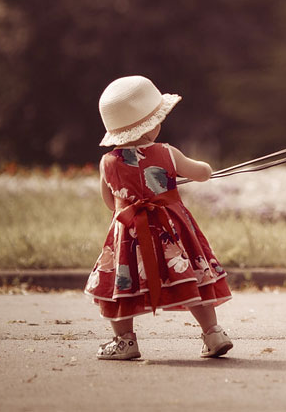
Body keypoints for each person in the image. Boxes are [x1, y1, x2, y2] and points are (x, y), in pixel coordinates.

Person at [85, 75, 233, 360]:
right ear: (150, 126)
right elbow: (201, 173)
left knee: (122, 287)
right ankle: (213, 333)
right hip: (171, 233)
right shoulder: (168, 153)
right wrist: (206, 168)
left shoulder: (108, 163)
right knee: (190, 278)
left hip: (130, 236)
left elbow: (111, 202)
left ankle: (125, 341)